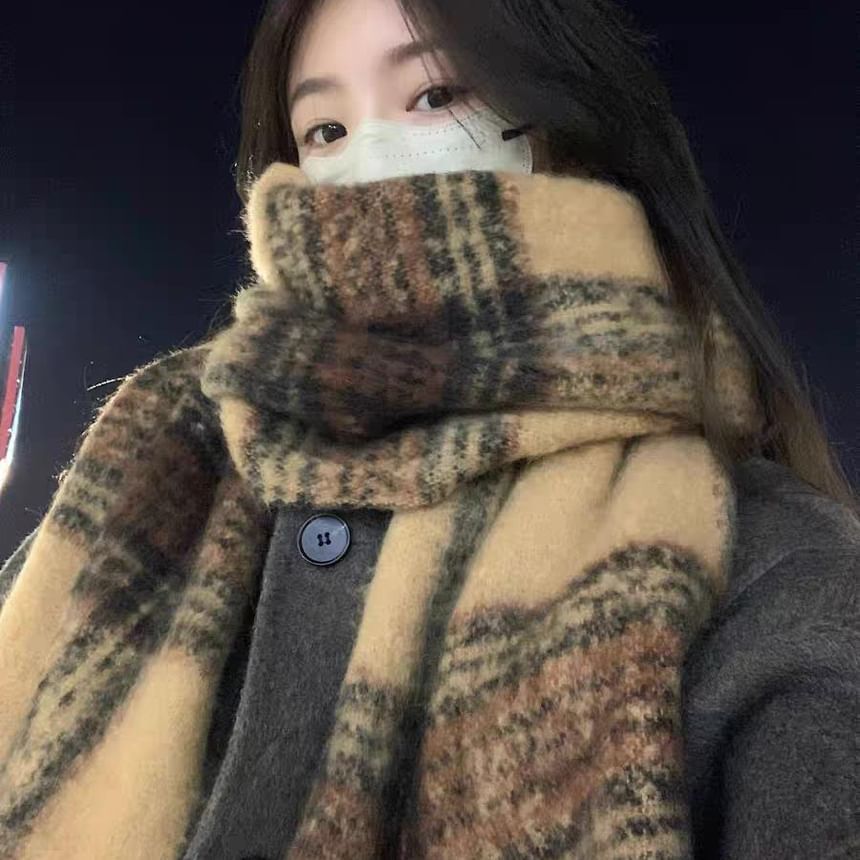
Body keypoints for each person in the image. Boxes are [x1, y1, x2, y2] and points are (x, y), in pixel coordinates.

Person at [0, 0, 857, 858]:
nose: (370, 158)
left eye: (436, 95)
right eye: (325, 129)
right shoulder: (166, 452)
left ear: (574, 124)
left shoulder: (767, 567)